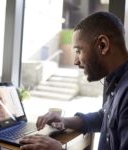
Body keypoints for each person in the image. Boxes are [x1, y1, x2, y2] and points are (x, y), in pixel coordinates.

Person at [19, 11, 128, 150]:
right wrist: (64, 121)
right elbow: (104, 117)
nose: (75, 61)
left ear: (102, 45)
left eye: (79, 50)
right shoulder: (119, 82)